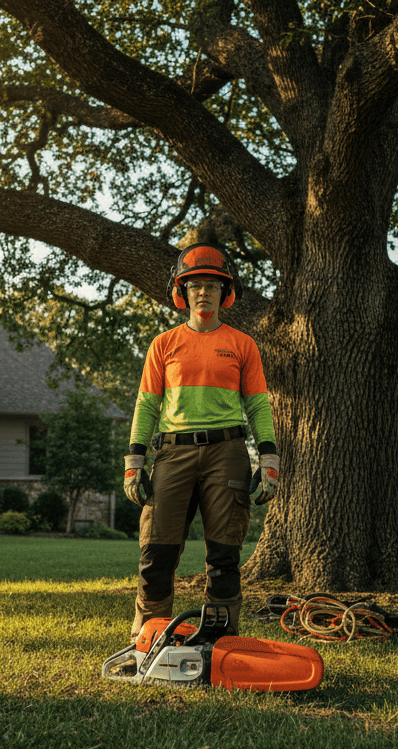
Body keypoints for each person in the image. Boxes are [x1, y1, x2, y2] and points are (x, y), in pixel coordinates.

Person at [122, 243, 281, 642]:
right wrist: (134, 461)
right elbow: (147, 405)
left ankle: (221, 643)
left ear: (225, 292)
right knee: (156, 553)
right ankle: (148, 639)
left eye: (212, 285)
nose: (204, 292)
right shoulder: (163, 344)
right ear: (183, 292)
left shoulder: (243, 344)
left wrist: (269, 459)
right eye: (195, 286)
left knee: (224, 557)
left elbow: (258, 406)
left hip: (227, 453)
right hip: (172, 453)